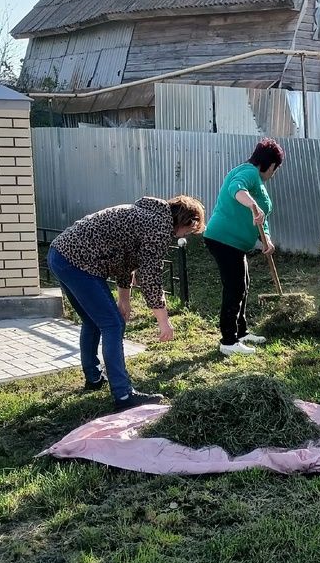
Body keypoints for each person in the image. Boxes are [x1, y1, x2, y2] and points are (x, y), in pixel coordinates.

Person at [48, 195, 205, 410]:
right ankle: (123, 396)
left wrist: (124, 300)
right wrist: (164, 321)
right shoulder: (158, 226)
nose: (186, 234)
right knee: (113, 324)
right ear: (186, 222)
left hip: (59, 254)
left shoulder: (146, 215)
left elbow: (126, 260)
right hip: (78, 262)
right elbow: (149, 276)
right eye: (189, 231)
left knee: (93, 320)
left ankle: (93, 378)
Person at [203, 138, 283, 357]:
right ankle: (228, 341)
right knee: (235, 287)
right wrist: (252, 205)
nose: (274, 173)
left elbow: (262, 217)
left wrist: (266, 238)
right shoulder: (248, 173)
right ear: (270, 164)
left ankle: (241, 332)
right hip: (223, 239)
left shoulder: (259, 184)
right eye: (275, 168)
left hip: (235, 244)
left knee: (243, 284)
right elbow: (235, 189)